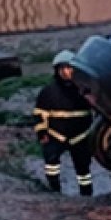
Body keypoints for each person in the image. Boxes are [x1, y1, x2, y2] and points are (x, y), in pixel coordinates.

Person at [32, 50, 95, 195]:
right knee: (51, 164)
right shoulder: (48, 91)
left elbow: (97, 111)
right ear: (57, 70)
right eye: (63, 68)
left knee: (83, 169)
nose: (66, 72)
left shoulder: (84, 90)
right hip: (55, 135)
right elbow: (39, 114)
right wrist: (42, 133)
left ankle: (87, 195)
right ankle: (54, 192)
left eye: (69, 68)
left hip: (80, 135)